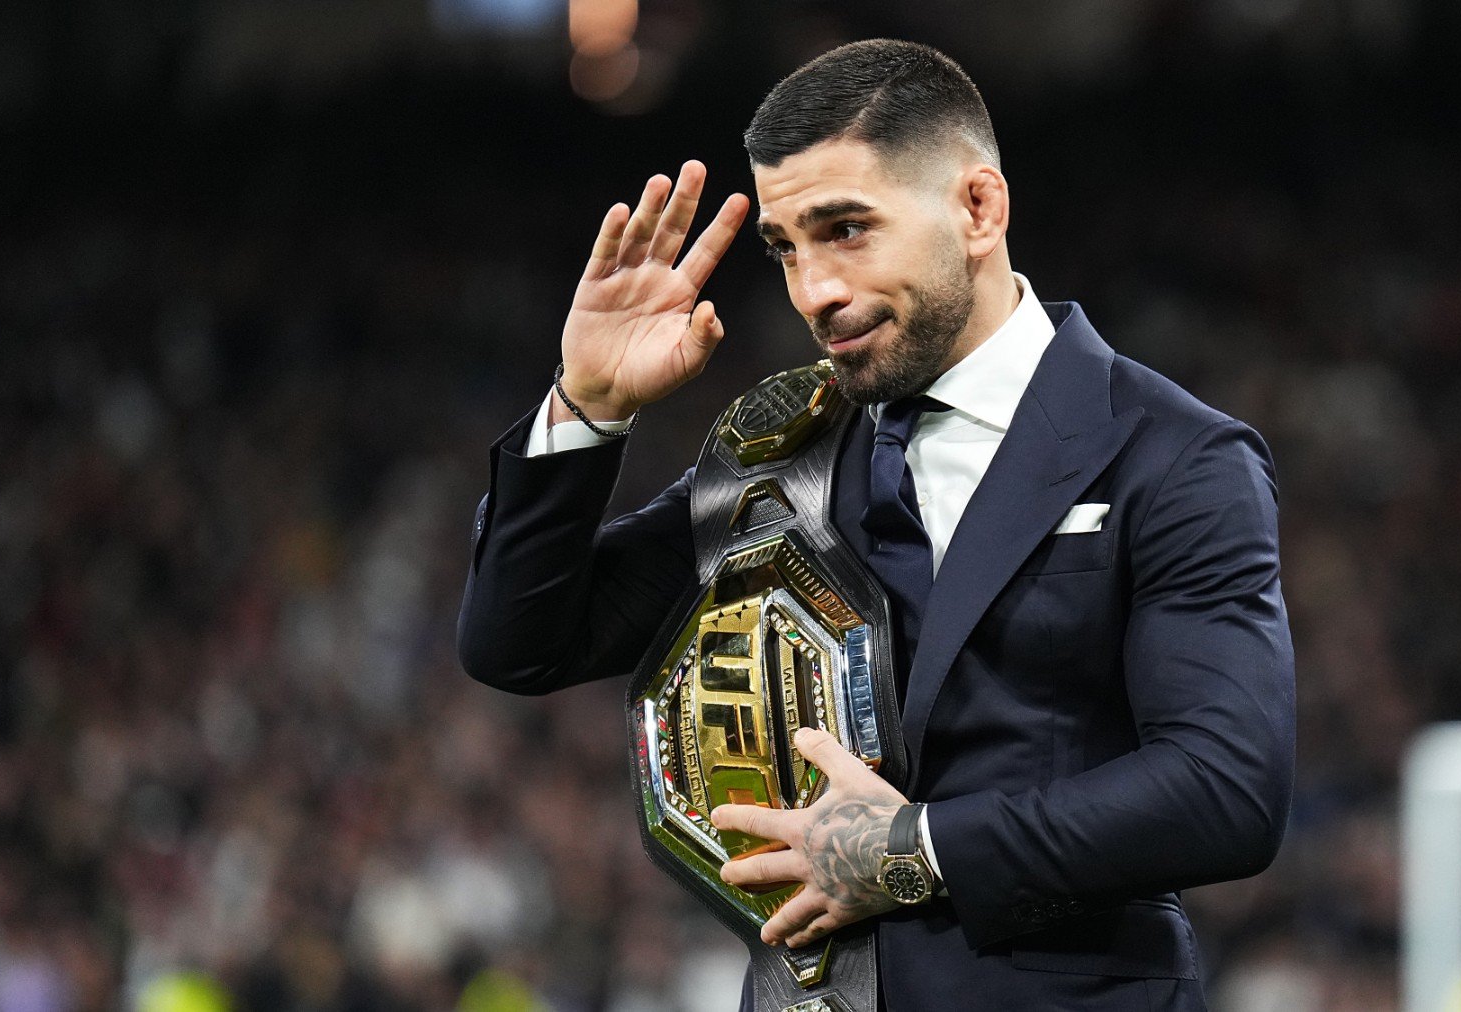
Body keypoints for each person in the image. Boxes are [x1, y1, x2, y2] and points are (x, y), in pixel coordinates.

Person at [458, 39, 1294, 1011]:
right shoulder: (779, 459)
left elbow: (1226, 787)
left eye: (846, 230)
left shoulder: (1172, 456)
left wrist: (919, 848)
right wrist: (588, 404)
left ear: (977, 208)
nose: (815, 290)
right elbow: (517, 642)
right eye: (786, 249)